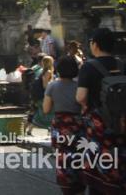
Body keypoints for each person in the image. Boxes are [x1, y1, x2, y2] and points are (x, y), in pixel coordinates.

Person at [76, 28, 126, 194]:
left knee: (98, 171)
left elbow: (81, 97)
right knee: (122, 165)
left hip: (101, 128)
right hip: (124, 125)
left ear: (95, 44)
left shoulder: (88, 67)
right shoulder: (124, 66)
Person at [43, 55, 82, 195]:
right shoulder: (79, 86)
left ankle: (67, 187)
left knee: (63, 160)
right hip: (78, 125)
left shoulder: (53, 86)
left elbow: (46, 109)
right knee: (80, 158)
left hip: (60, 126)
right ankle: (80, 187)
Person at [26, 55, 54, 135]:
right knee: (51, 112)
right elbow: (45, 85)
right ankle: (51, 131)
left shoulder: (42, 71)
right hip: (43, 95)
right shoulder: (48, 72)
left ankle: (29, 129)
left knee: (38, 113)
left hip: (38, 96)